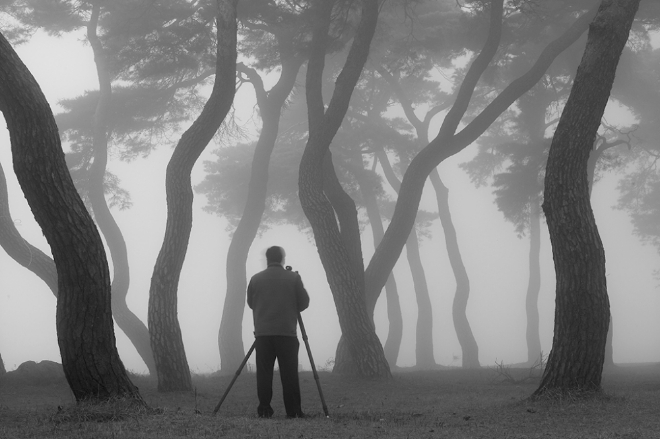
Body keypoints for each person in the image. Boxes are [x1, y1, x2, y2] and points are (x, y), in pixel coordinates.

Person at [247, 246, 310, 418]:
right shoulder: (293, 278)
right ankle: (293, 411)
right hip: (287, 333)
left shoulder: (255, 279)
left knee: (264, 374)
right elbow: (304, 303)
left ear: (267, 259)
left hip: (263, 334)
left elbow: (251, 303)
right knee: (289, 374)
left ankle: (265, 409)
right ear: (282, 259)